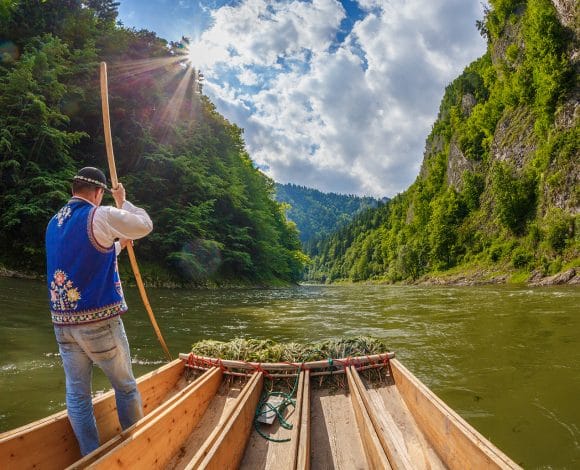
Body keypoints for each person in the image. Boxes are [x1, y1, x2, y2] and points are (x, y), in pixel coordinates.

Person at [45, 166, 153, 456]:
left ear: (73, 190)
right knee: (126, 387)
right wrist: (123, 203)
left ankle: (90, 456)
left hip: (63, 328)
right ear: (97, 192)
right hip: (99, 324)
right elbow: (144, 225)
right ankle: (136, 450)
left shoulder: (54, 223)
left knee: (77, 397)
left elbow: (86, 259)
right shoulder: (100, 214)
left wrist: (118, 245)